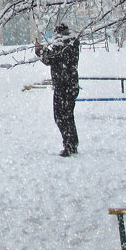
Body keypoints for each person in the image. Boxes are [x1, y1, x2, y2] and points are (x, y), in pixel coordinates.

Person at [35, 23, 80, 157]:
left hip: (63, 86)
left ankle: (70, 145)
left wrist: (40, 51)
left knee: (61, 117)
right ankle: (71, 143)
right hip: (70, 85)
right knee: (67, 116)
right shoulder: (71, 43)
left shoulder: (64, 44)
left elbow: (52, 58)